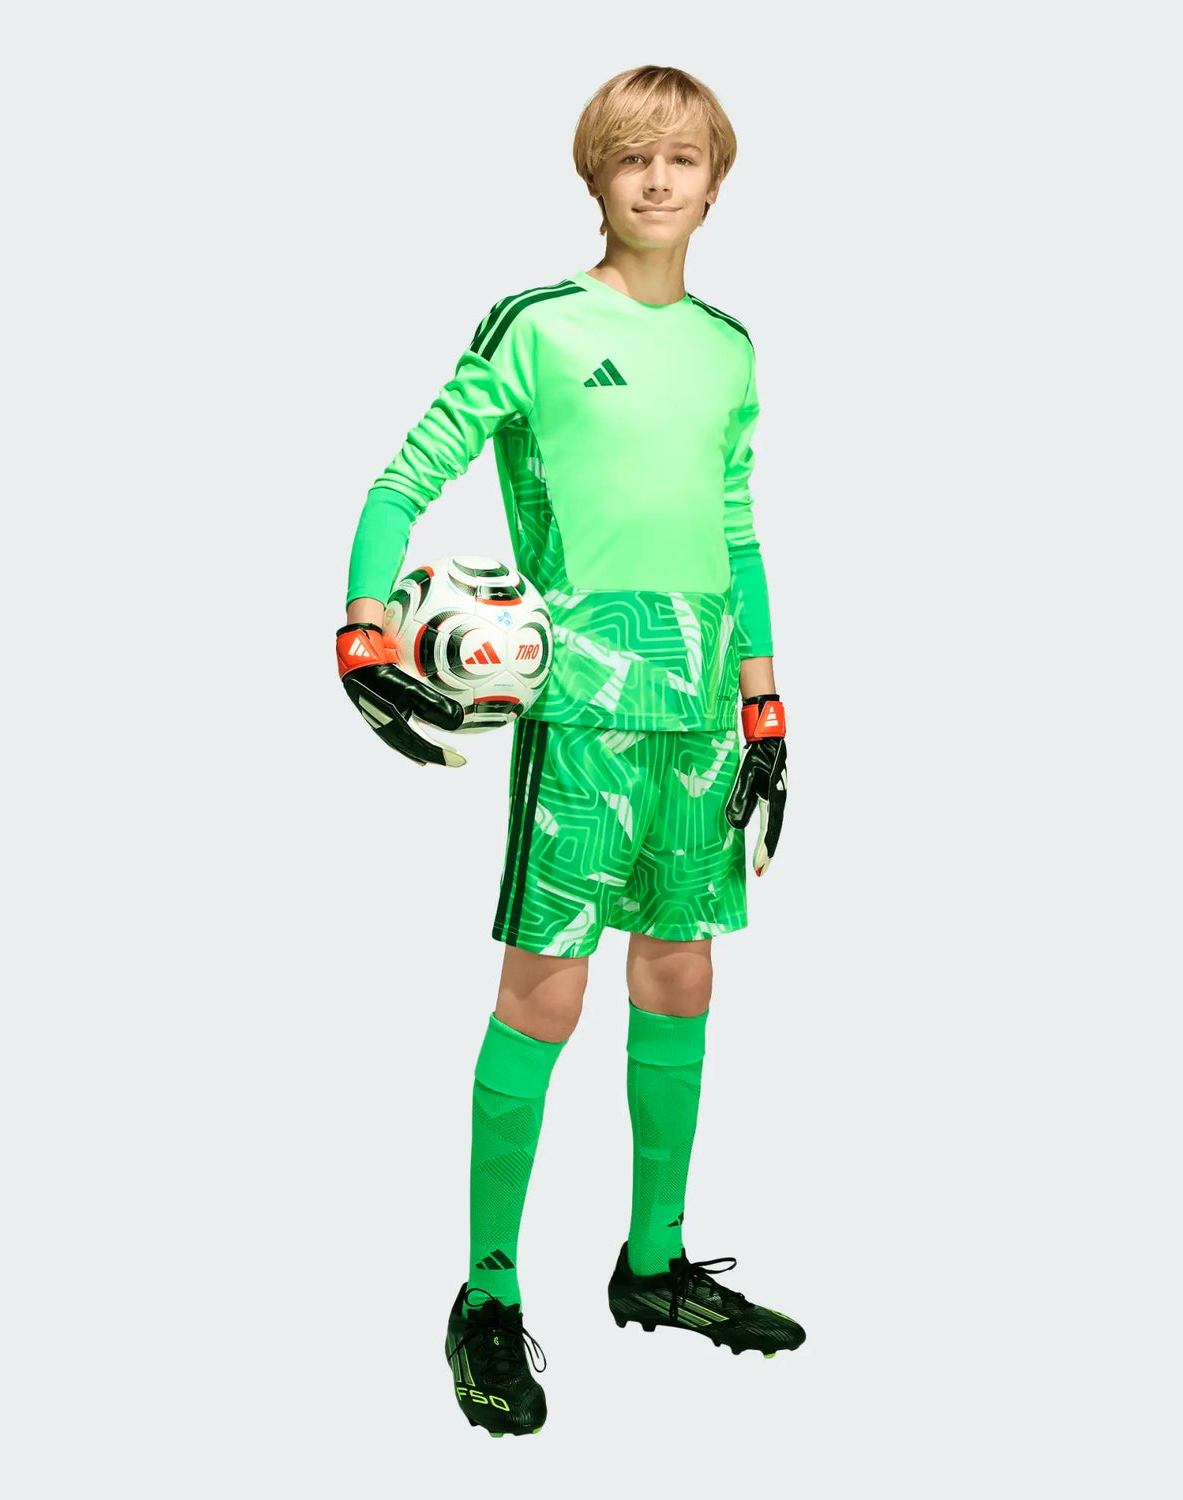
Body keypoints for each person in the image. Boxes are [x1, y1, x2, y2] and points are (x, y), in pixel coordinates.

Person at [335, 64, 801, 1439]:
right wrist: (363, 627)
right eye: (631, 158)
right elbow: (402, 480)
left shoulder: (730, 348)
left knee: (681, 969)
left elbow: (736, 532)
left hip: (700, 710)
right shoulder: (536, 326)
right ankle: (487, 1292)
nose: (657, 180)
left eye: (682, 159)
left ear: (716, 182)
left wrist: (767, 710)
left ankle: (654, 1263)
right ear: (595, 177)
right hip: (584, 708)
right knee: (546, 991)